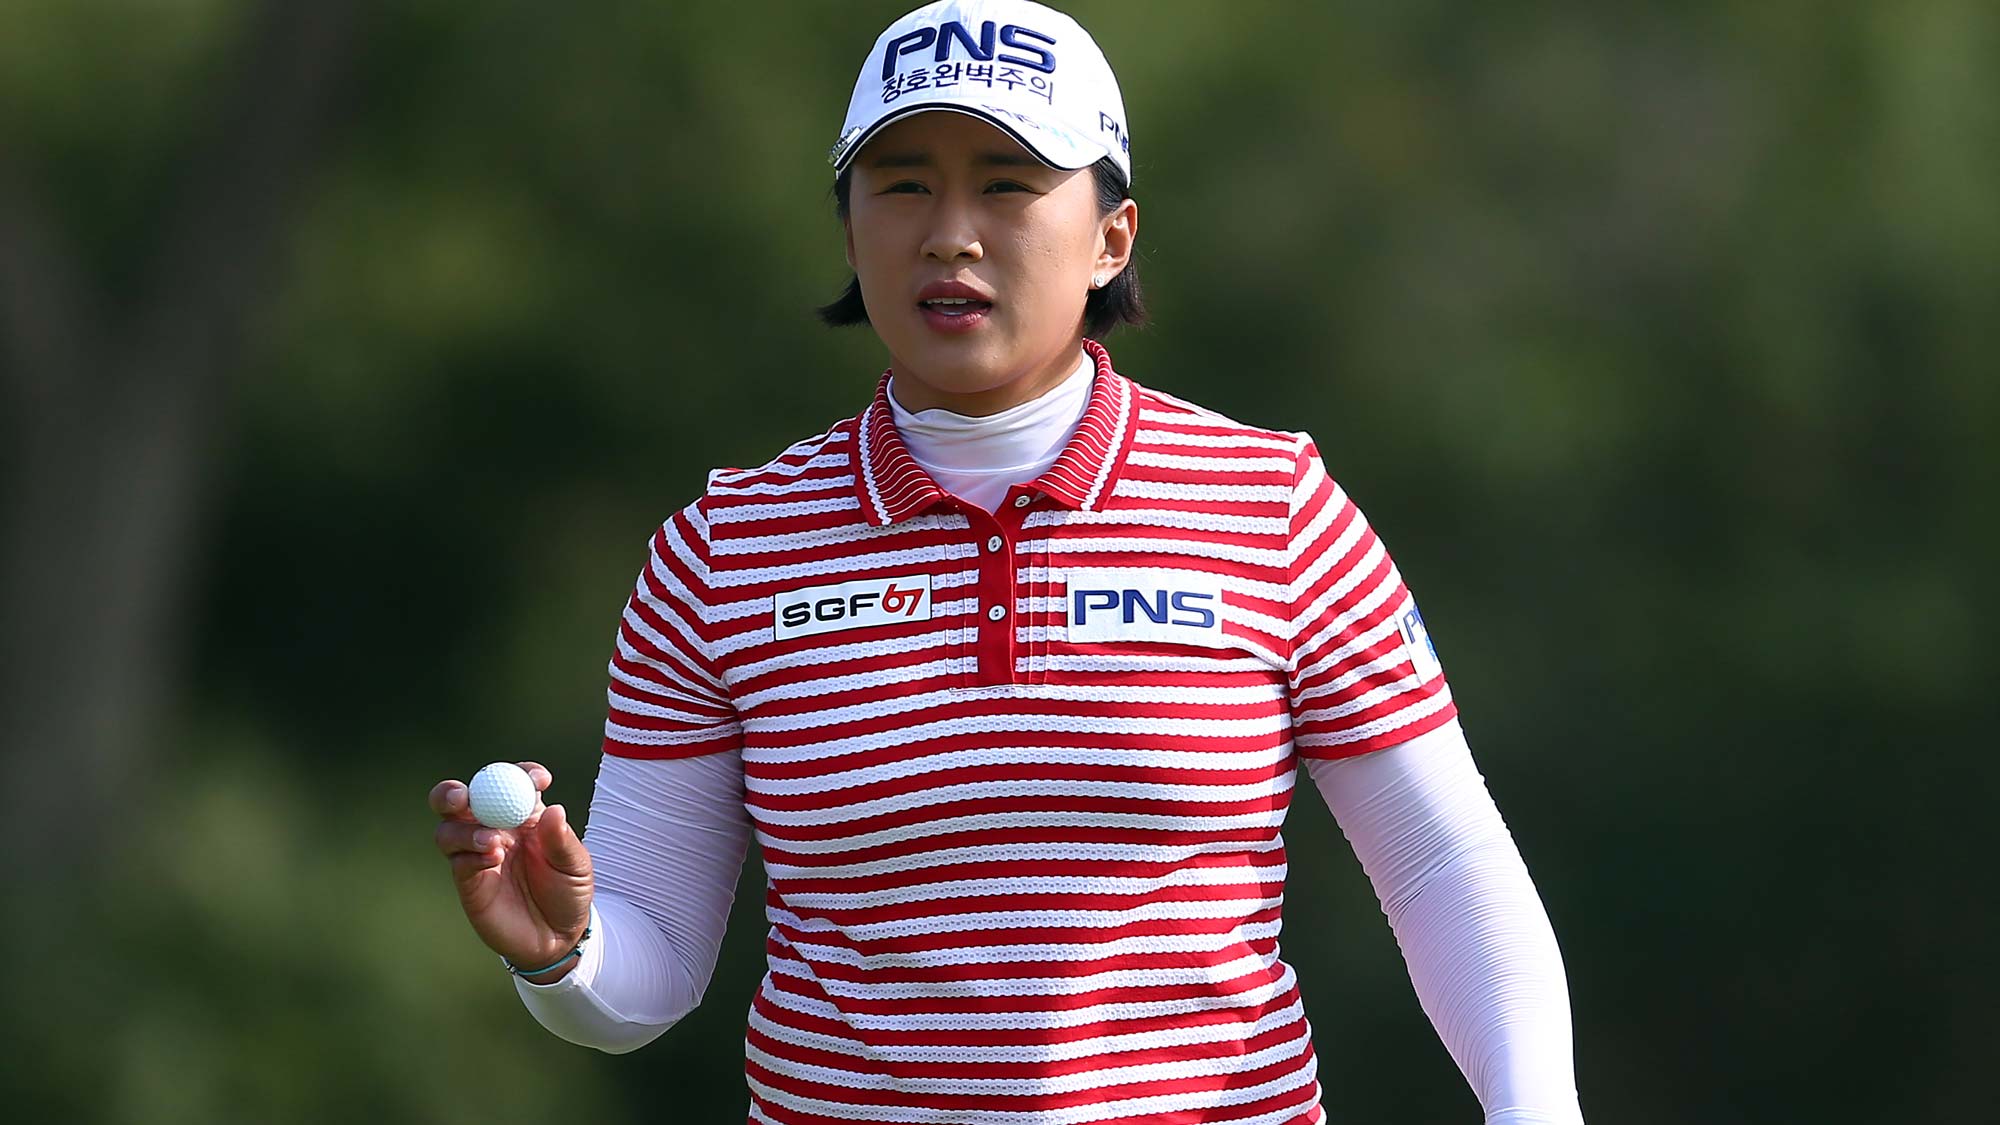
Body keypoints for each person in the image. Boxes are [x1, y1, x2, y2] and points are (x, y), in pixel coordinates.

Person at [427, 2, 1587, 1121]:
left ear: (1109, 236)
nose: (949, 230)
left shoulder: (1274, 508)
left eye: (1007, 182)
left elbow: (1441, 868)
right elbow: (651, 964)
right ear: (848, 228)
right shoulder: (722, 551)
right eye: (902, 184)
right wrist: (563, 953)